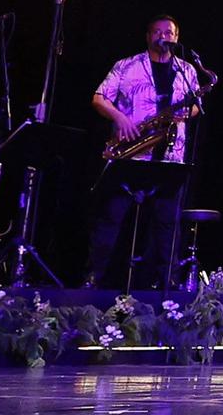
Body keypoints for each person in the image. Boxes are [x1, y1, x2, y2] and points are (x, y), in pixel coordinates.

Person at [82, 15, 204, 288]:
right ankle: (94, 278)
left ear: (176, 37)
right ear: (148, 36)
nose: (164, 36)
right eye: (158, 32)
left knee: (167, 225)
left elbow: (197, 104)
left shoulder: (187, 70)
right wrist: (119, 118)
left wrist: (189, 111)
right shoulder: (126, 66)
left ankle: (167, 284)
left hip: (171, 157)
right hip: (130, 153)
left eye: (169, 32)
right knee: (110, 220)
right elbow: (99, 98)